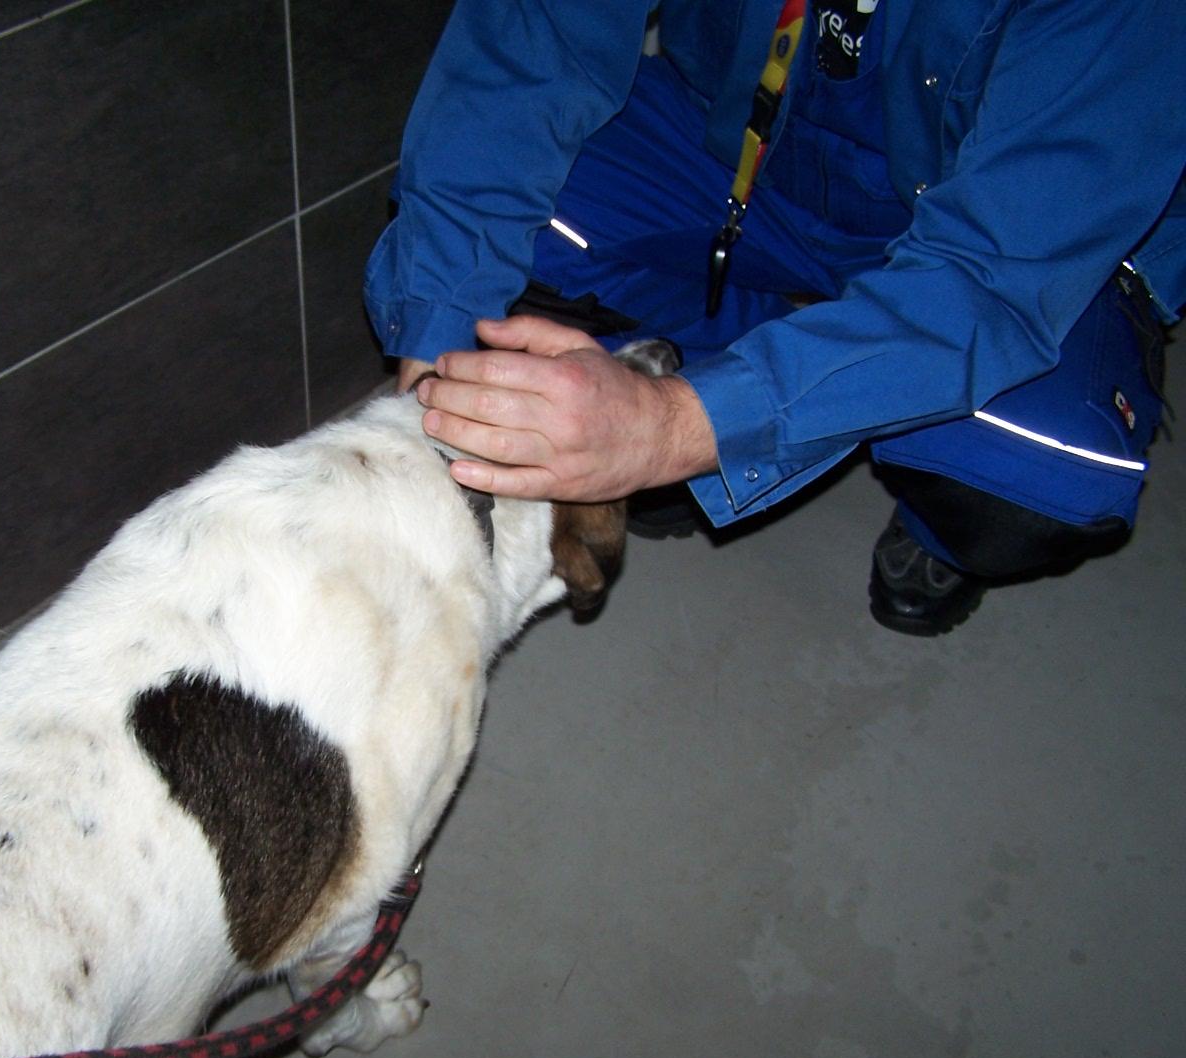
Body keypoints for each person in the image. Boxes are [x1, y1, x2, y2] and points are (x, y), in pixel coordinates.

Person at [365, 0, 1186, 634]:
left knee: (1032, 472)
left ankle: (896, 488)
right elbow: (532, 43)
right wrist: (437, 350)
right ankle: (742, 361)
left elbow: (989, 279)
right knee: (485, 247)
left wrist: (673, 428)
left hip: (991, 232)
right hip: (751, 165)